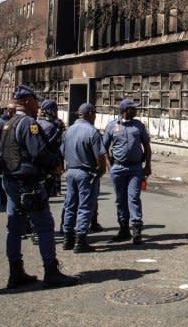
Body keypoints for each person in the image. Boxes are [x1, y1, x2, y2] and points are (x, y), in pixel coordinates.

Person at [0, 85, 77, 289]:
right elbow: (38, 152)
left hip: (11, 181)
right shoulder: (28, 123)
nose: (38, 105)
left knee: (14, 229)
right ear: (26, 101)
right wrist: (55, 164)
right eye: (35, 101)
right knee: (44, 226)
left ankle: (15, 272)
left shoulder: (8, 123)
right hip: (28, 184)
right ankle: (51, 271)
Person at [103, 98, 152, 244]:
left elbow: (147, 147)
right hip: (117, 168)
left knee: (134, 197)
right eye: (133, 108)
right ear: (125, 110)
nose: (136, 110)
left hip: (135, 168)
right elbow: (103, 147)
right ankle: (123, 229)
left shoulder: (139, 126)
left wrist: (148, 165)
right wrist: (108, 165)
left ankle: (136, 229)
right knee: (120, 199)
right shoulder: (112, 126)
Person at [61, 103, 107, 254]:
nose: (95, 117)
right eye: (94, 114)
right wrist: (101, 170)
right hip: (86, 173)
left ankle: (67, 238)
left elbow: (62, 151)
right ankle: (80, 240)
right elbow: (100, 155)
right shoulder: (92, 132)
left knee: (70, 204)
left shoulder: (68, 131)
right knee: (85, 206)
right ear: (90, 114)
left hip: (71, 171)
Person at [37, 99, 65, 199]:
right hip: (46, 168)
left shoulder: (36, 122)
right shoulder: (51, 127)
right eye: (55, 110)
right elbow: (52, 147)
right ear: (50, 111)